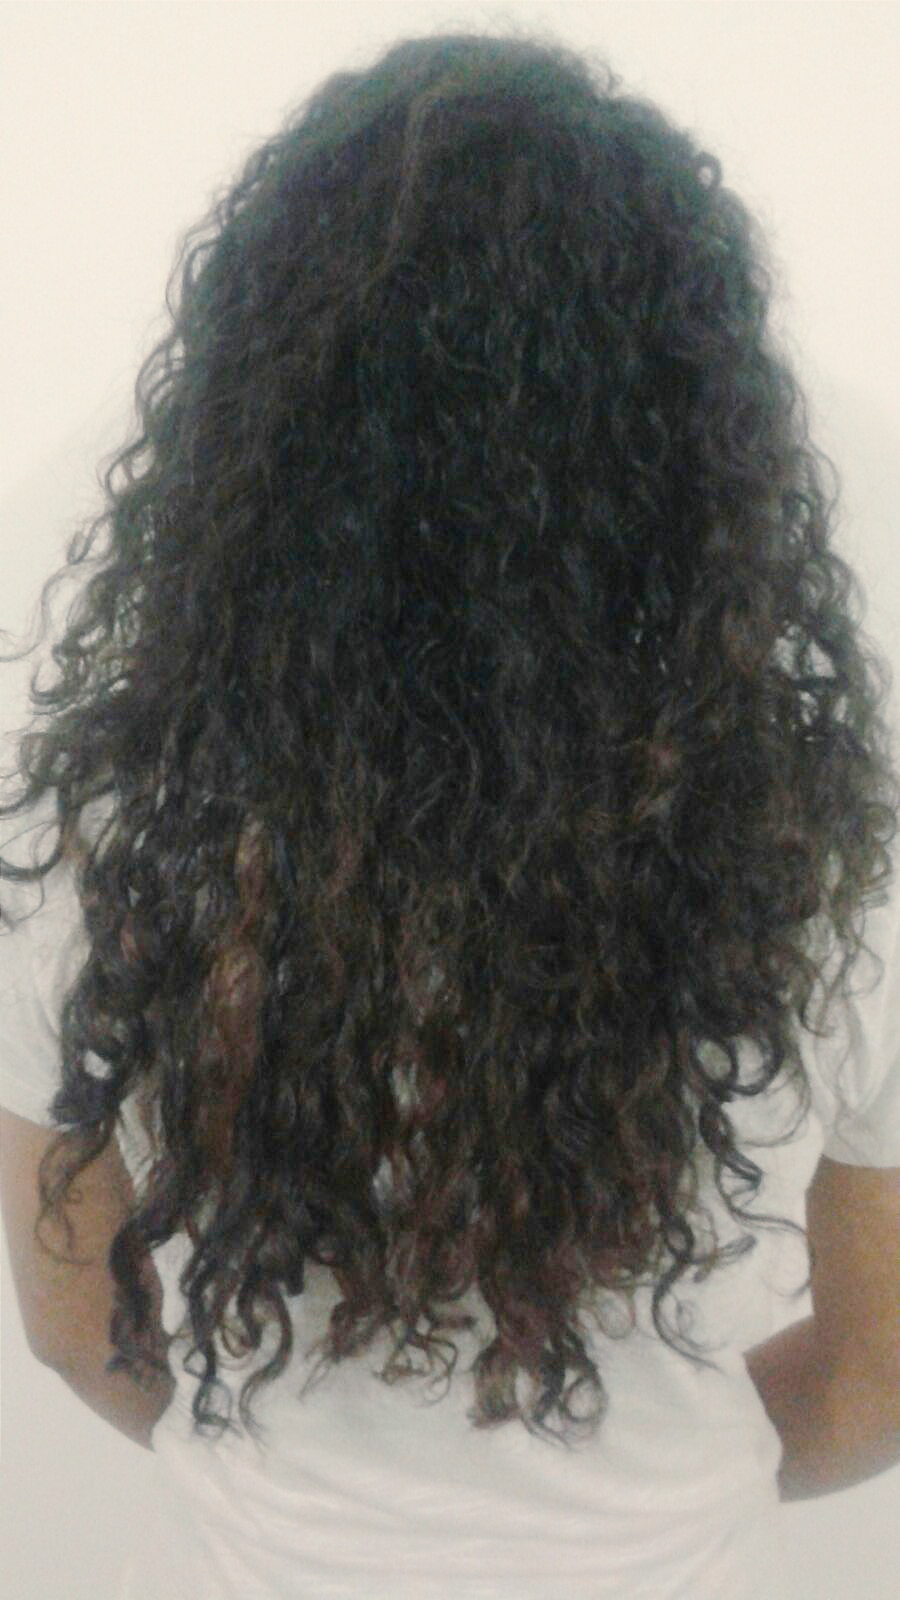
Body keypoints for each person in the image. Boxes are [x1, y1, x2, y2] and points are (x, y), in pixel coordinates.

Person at [1, 29, 898, 1600]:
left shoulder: (104, 845)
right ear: (686, 444)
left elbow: (82, 1331)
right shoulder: (822, 865)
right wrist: (631, 1515)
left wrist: (313, 1512)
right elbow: (874, 1381)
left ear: (260, 433)